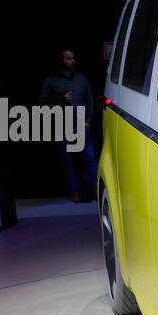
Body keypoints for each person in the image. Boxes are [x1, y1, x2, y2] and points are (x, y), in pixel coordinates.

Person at [38, 49, 97, 202]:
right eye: (69, 59)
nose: (73, 61)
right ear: (61, 61)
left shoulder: (82, 79)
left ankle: (97, 190)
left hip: (82, 124)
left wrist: (88, 122)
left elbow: (90, 100)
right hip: (62, 125)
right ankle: (74, 192)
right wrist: (60, 98)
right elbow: (42, 103)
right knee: (67, 161)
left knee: (89, 159)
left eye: (73, 58)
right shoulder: (51, 81)